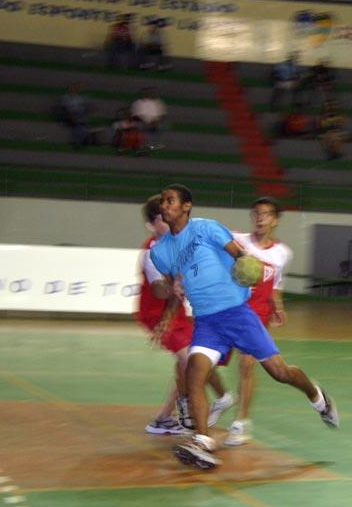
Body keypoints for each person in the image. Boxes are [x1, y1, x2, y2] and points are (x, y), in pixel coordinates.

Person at [150, 184, 338, 468]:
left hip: (237, 313)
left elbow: (240, 255)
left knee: (280, 372)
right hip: (207, 322)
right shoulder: (161, 251)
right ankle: (202, 441)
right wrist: (169, 298)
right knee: (195, 374)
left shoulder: (206, 228)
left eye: (170, 200)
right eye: (163, 201)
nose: (164, 205)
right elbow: (171, 286)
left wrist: (248, 269)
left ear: (186, 206)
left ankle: (317, 396)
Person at [136, 195, 234, 435]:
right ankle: (199, 404)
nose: (168, 219)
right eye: (162, 217)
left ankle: (164, 417)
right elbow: (159, 291)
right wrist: (177, 284)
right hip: (156, 313)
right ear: (151, 225)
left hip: (177, 312)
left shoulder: (180, 242)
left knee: (193, 360)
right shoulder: (152, 252)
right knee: (191, 361)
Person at [225, 196, 293, 446]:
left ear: (275, 220)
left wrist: (278, 305)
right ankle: (219, 399)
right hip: (228, 308)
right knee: (203, 361)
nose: (260, 218)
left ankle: (241, 422)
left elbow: (276, 283)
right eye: (256, 213)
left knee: (246, 365)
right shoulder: (237, 240)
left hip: (256, 313)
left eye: (266, 214)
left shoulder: (282, 253)